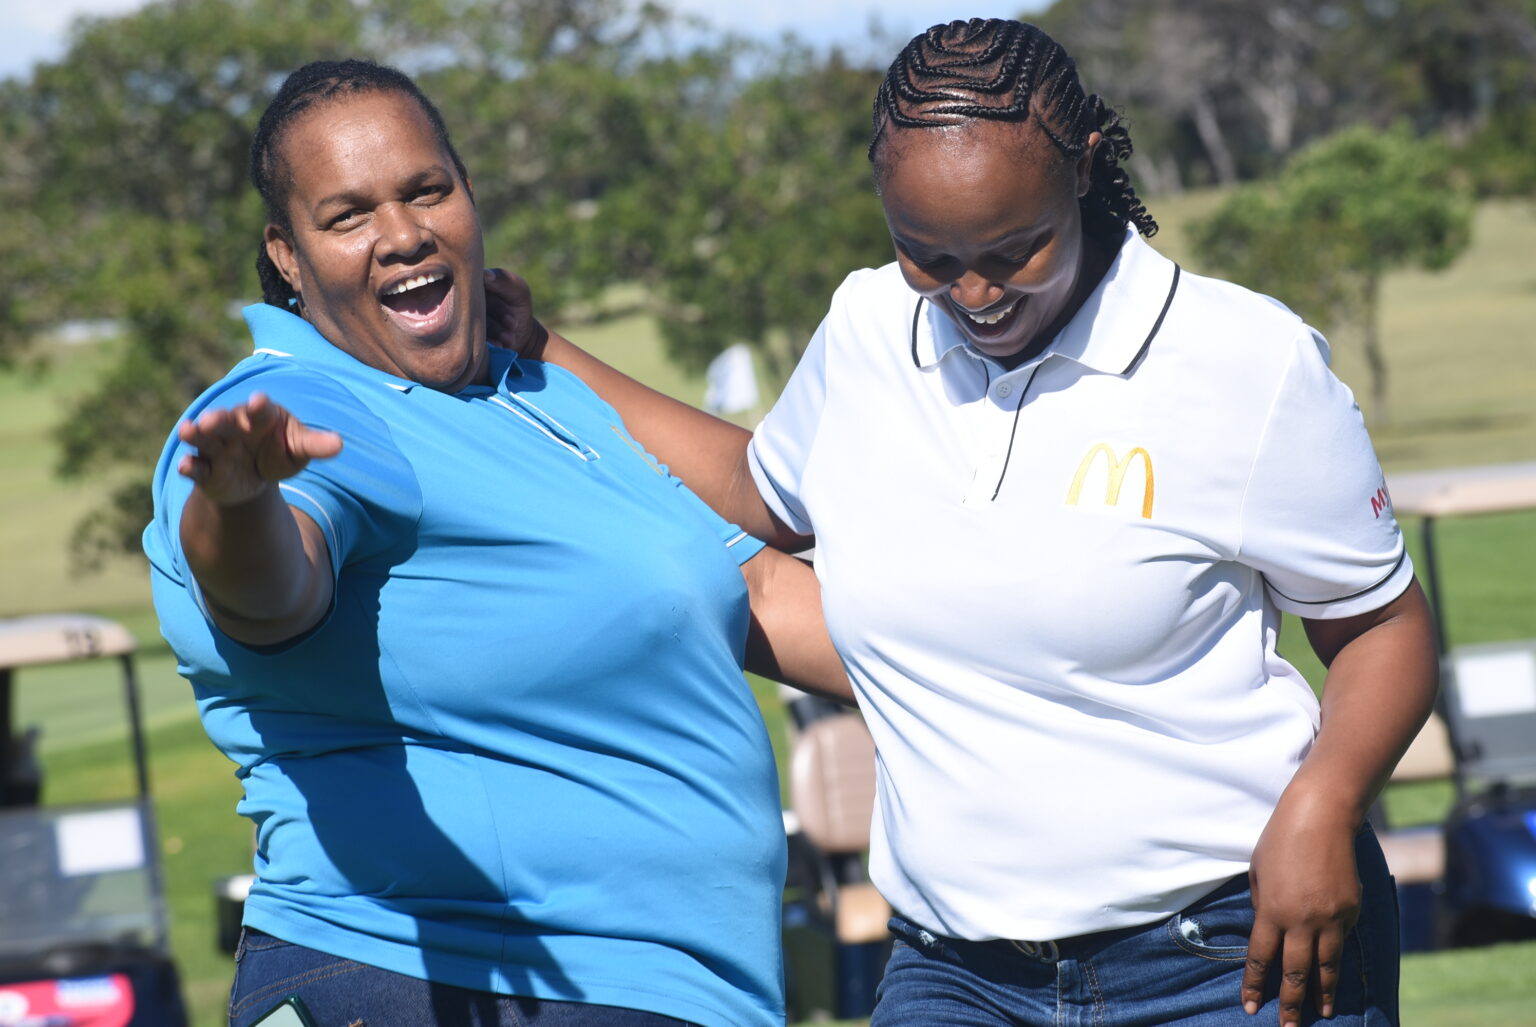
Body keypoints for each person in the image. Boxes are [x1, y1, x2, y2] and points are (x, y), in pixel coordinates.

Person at [513, 17, 1439, 1027]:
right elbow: (758, 492)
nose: (975, 293)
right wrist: (545, 350)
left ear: (1084, 169)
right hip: (952, 971)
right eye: (929, 255)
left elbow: (1382, 628)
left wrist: (1325, 804)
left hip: (1227, 951)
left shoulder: (1245, 365)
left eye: (1013, 248)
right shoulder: (869, 331)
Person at [142, 59, 849, 1027]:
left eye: (427, 189)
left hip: (666, 994)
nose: (400, 234)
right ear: (289, 255)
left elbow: (768, 592)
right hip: (439, 978)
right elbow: (271, 591)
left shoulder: (543, 397)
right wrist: (238, 499)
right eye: (347, 215)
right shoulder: (313, 405)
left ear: (470, 196)